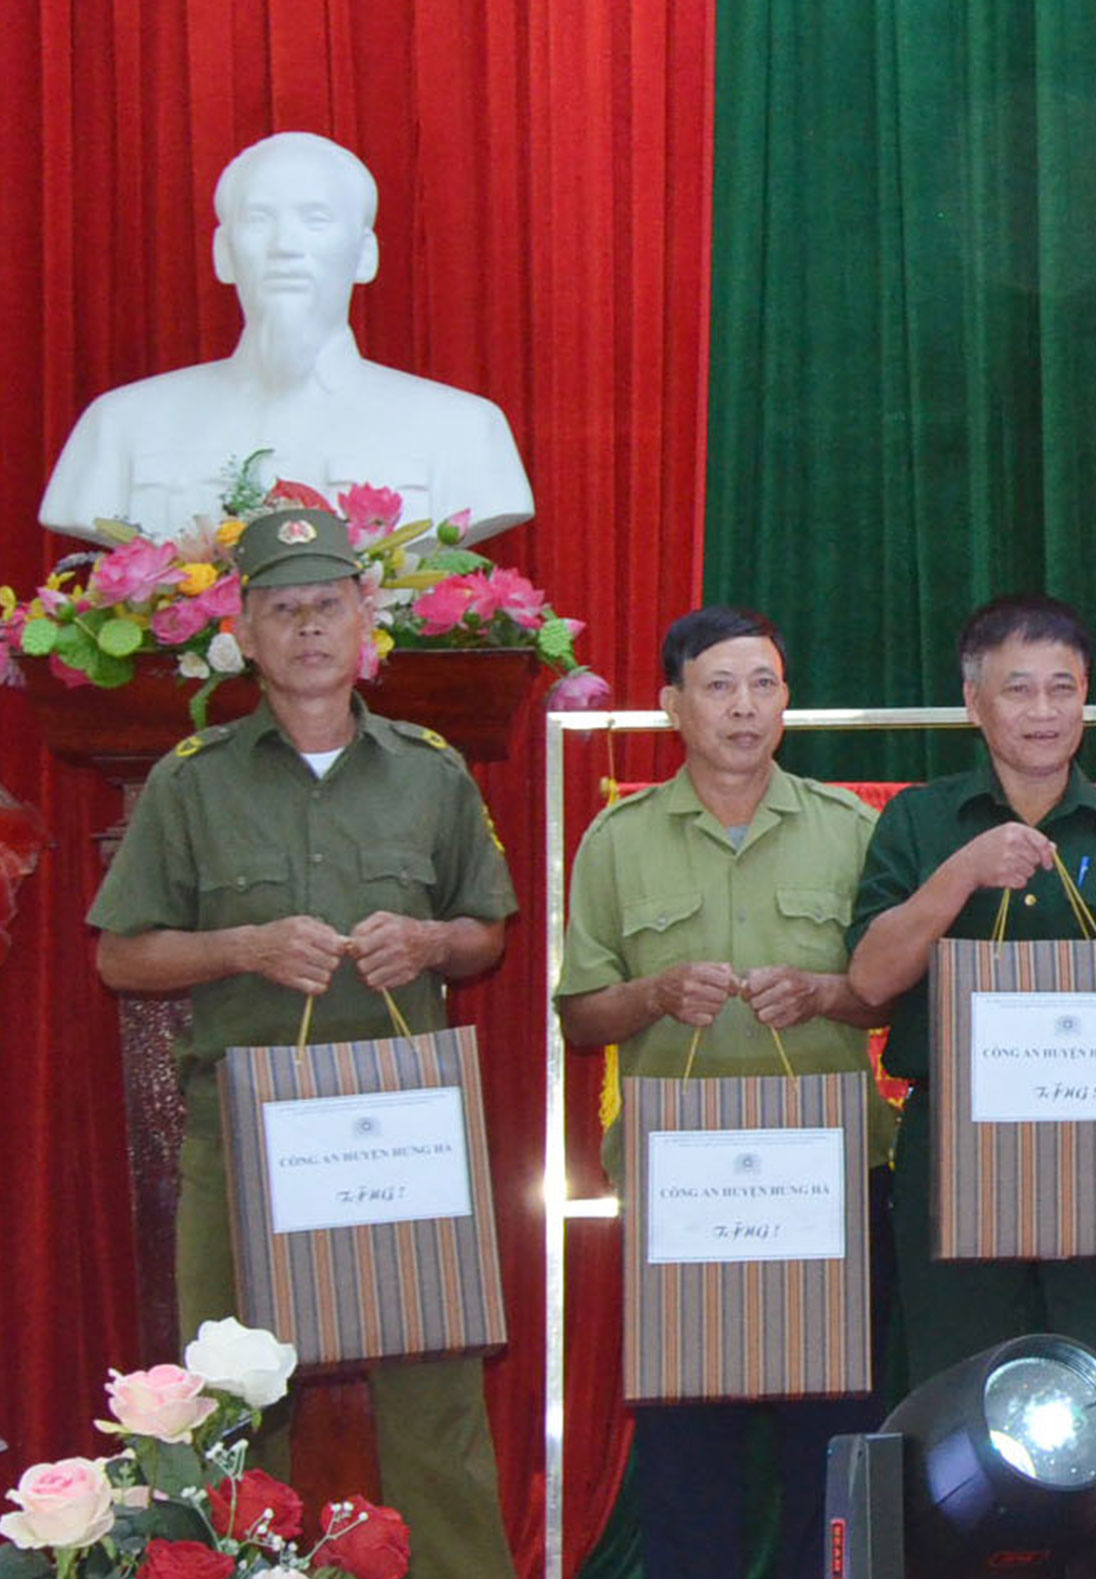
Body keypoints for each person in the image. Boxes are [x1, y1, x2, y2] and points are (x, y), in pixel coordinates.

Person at [90, 507, 518, 1577]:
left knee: (435, 1404)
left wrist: (430, 940)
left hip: (401, 1137)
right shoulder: (194, 779)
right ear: (244, 631)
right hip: (245, 1144)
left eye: (328, 604)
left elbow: (487, 932)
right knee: (229, 1415)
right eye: (283, 609)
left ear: (366, 618)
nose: (309, 628)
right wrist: (242, 945)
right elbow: (122, 957)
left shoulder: (430, 770)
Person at [846, 594, 1096, 1578]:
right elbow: (871, 979)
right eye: (1018, 690)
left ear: (1087, 698)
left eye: (1063, 688)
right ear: (975, 702)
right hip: (956, 1167)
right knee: (958, 1412)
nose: (1043, 711)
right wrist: (963, 872)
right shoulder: (921, 822)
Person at [553, 605, 890, 1579]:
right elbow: (580, 1016)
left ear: (786, 700)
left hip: (828, 1184)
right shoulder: (618, 839)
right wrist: (654, 994)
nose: (744, 706)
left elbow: (892, 994)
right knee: (687, 1451)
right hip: (684, 1191)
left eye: (763, 684)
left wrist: (824, 992)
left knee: (830, 1439)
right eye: (719, 686)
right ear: (674, 705)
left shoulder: (850, 828)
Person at [42, 132, 532, 543]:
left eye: (315, 220)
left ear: (365, 255)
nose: (286, 246)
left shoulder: (463, 430)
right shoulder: (121, 426)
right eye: (259, 220)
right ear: (223, 253)